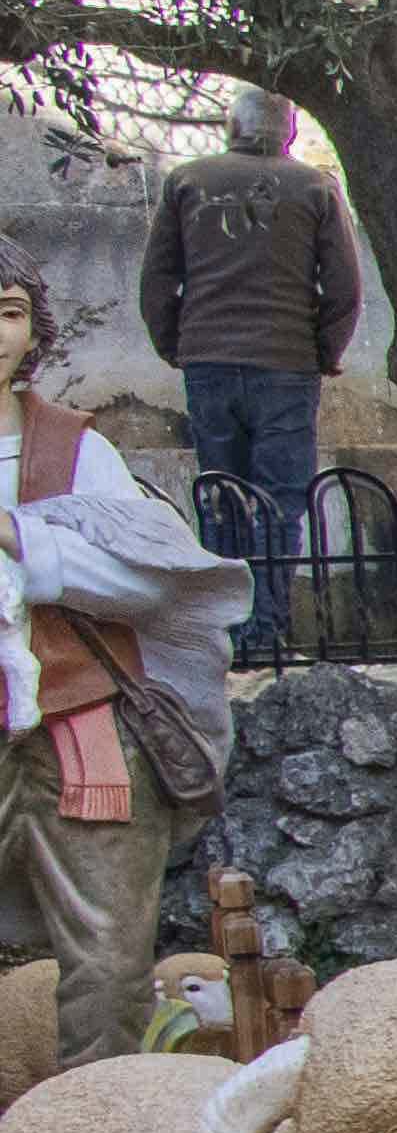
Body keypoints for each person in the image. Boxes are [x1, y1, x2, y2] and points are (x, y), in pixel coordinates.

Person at [0, 240, 244, 1066]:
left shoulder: (78, 452)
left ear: (34, 328)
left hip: (77, 731)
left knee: (108, 965)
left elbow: (149, 577)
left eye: (9, 313)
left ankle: (102, 1117)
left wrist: (23, 540)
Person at [138, 91, 364, 660]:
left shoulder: (187, 181)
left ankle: (223, 630)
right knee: (279, 501)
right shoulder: (315, 188)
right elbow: (343, 287)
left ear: (228, 126)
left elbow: (158, 278)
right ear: (290, 132)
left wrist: (175, 345)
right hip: (286, 366)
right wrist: (324, 352)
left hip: (208, 361)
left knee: (221, 495)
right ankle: (266, 631)